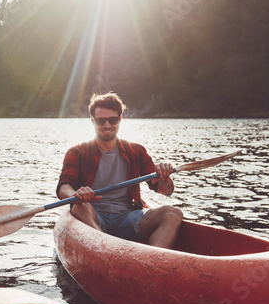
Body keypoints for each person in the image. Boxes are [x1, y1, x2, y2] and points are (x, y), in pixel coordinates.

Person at [57, 92, 184, 248]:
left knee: (173, 213)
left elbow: (166, 190)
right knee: (79, 206)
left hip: (128, 216)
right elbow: (64, 186)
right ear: (92, 120)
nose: (107, 125)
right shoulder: (77, 152)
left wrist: (164, 178)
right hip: (93, 216)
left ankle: (151, 262)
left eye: (113, 119)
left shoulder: (136, 151)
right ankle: (103, 246)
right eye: (100, 121)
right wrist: (76, 194)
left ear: (120, 118)